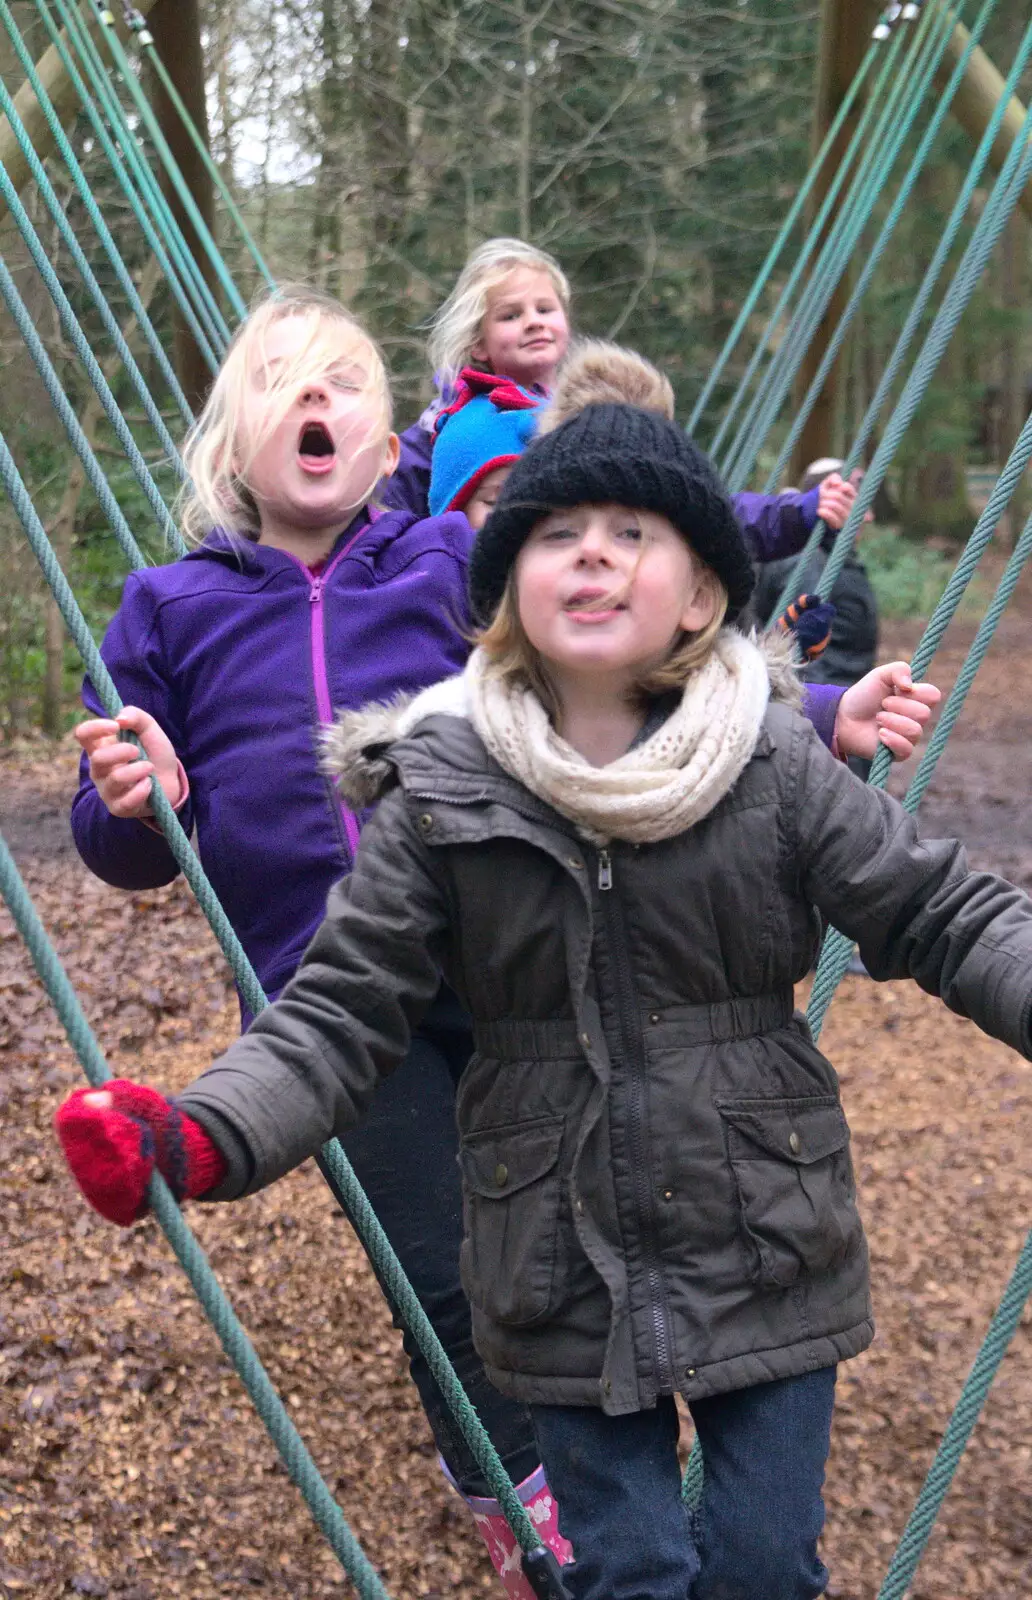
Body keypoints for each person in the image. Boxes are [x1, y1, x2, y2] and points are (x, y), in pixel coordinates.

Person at [53, 375, 1007, 1600]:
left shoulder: (771, 764)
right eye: (557, 536)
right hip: (556, 1262)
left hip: (763, 1235)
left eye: (632, 535)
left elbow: (937, 910)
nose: (592, 558)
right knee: (628, 1567)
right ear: (503, 593)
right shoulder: (447, 792)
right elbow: (338, 1011)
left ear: (703, 593)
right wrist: (195, 1135)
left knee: (766, 1566)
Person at [66, 284, 569, 1597]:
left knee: (549, 1217)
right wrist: (143, 797)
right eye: (282, 378)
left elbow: (606, 661)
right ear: (234, 444)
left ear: (389, 434)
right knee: (437, 1253)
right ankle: (518, 1489)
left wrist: (815, 714)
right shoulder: (167, 608)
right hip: (333, 998)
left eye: (343, 378)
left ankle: (539, 1440)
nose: (315, 396)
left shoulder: (446, 567)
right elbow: (115, 850)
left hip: (500, 945)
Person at [384, 239, 860, 559]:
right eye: (510, 315)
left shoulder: (601, 418)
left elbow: (688, 503)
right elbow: (379, 514)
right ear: (478, 343)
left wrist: (796, 513)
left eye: (545, 309)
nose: (533, 321)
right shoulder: (444, 433)